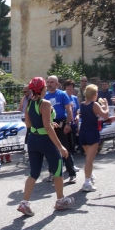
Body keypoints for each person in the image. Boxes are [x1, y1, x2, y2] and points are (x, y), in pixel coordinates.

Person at [17, 77, 74, 216]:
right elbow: (47, 127)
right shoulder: (46, 103)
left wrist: (47, 124)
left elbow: (29, 125)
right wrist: (61, 147)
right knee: (58, 169)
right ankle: (60, 200)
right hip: (45, 141)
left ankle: (24, 203)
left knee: (34, 173)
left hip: (33, 140)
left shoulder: (29, 102)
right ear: (43, 88)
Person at [45, 75, 78, 183]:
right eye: (48, 82)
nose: (49, 84)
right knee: (51, 150)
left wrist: (68, 124)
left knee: (65, 149)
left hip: (62, 124)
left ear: (57, 83)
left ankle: (72, 173)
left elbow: (69, 110)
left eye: (52, 82)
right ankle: (52, 172)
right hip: (51, 125)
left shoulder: (62, 94)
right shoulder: (45, 96)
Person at [79, 84, 109, 192]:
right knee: (89, 159)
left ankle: (90, 176)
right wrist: (106, 105)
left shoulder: (82, 104)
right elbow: (105, 115)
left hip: (83, 132)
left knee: (88, 157)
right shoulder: (94, 104)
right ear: (94, 94)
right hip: (92, 132)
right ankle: (87, 183)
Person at [64, 79, 79, 154]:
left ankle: (72, 152)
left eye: (71, 86)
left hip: (73, 122)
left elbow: (78, 111)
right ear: (65, 87)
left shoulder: (75, 98)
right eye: (68, 86)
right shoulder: (63, 96)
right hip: (65, 121)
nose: (70, 88)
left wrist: (77, 116)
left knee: (72, 139)